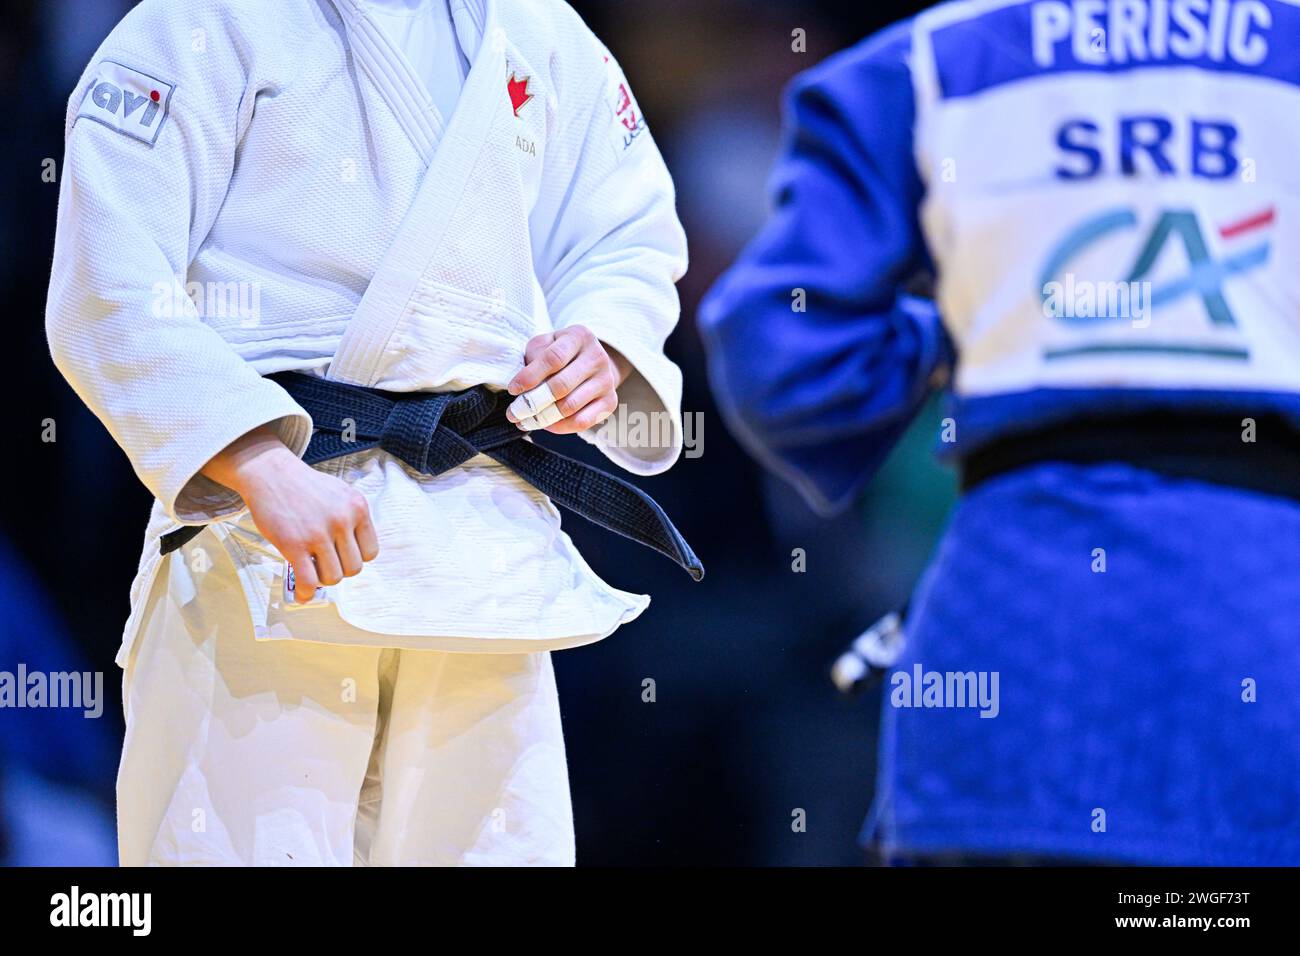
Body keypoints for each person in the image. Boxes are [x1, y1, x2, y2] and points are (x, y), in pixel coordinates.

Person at [46, 0, 697, 866]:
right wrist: (254, 463)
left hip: (481, 555)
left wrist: (602, 342)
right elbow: (109, 289)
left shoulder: (536, 27)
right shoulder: (197, 24)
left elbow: (624, 232)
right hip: (263, 550)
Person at [700, 0, 1300, 865]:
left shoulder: (930, 58)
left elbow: (783, 360)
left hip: (1017, 664)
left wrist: (964, 334)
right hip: (1269, 639)